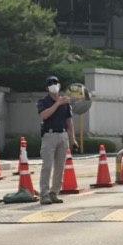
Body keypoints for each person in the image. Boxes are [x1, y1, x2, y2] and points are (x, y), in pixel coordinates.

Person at [36, 75, 74, 204]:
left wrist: (72, 139)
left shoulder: (66, 102)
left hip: (62, 135)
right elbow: (44, 115)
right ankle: (44, 194)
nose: (54, 85)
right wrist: (57, 103)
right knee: (47, 166)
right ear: (47, 88)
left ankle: (54, 192)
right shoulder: (43, 102)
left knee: (60, 167)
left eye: (56, 83)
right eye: (51, 83)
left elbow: (69, 122)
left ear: (59, 85)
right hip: (49, 135)